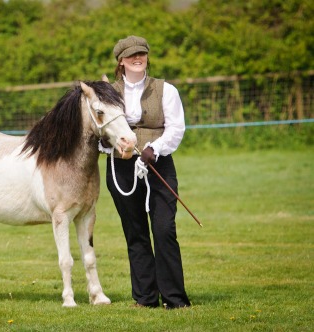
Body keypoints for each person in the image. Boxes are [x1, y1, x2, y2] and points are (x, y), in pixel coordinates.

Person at [105, 35, 190, 309]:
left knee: (164, 229)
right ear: (122, 61)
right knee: (136, 232)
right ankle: (145, 298)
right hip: (121, 168)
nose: (137, 58)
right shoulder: (109, 92)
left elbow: (176, 128)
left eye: (141, 53)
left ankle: (175, 299)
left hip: (158, 164)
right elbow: (100, 130)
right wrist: (113, 147)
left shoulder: (166, 89)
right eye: (131, 55)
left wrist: (155, 148)